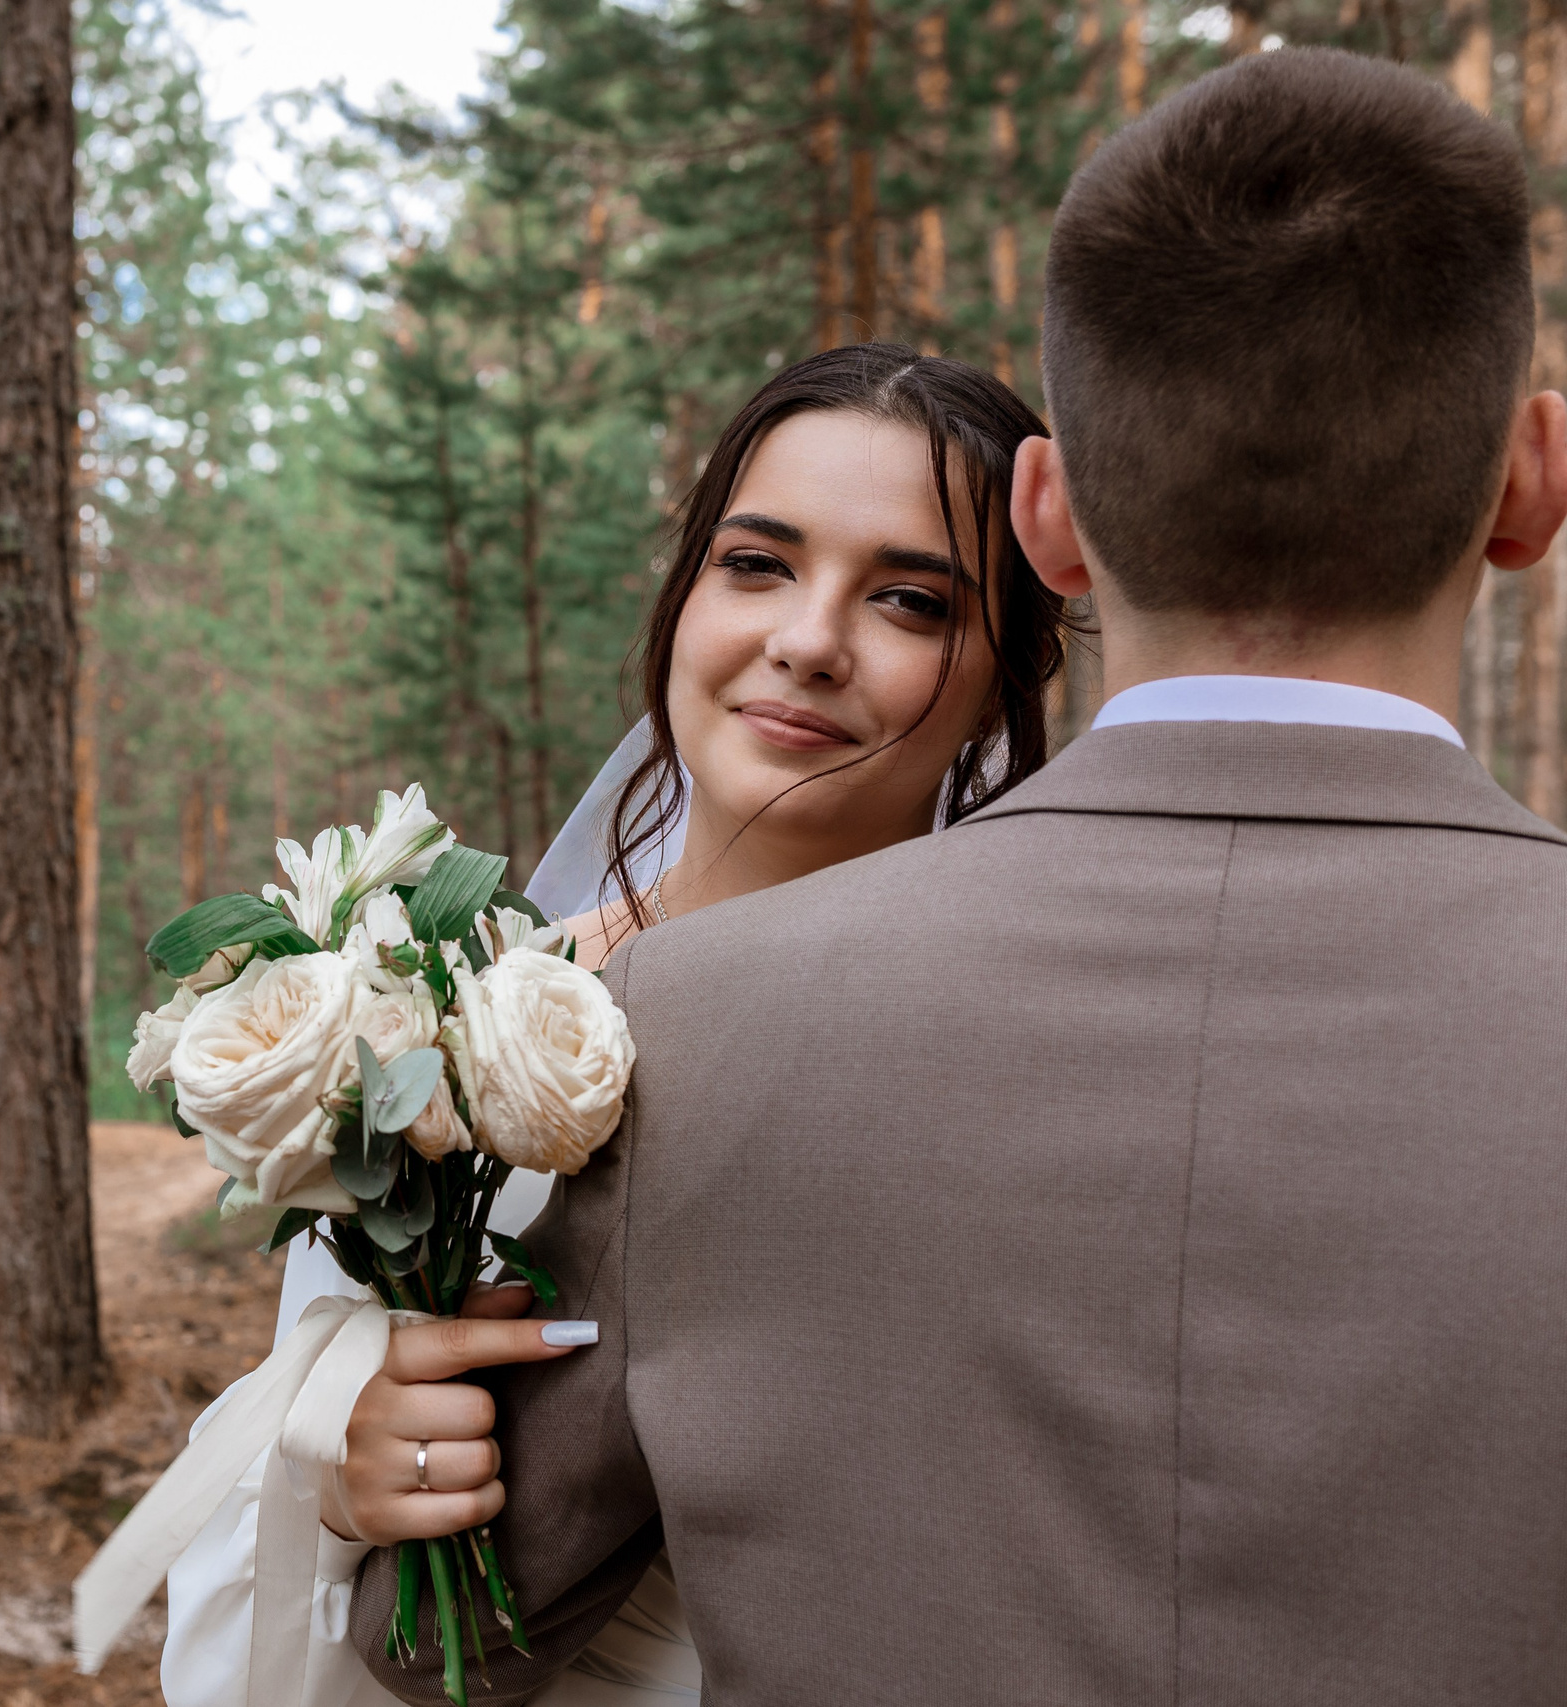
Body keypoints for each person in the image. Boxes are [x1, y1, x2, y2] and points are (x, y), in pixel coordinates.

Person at [338, 46, 1567, 1707]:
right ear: (1530, 481)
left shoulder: (690, 1024)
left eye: (913, 596)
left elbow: (454, 1651)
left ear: (1047, 520)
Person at [160, 340, 1072, 1707]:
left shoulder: (1028, 1068)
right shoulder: (444, 1004)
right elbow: (311, 1412)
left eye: (909, 600)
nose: (809, 641)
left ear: (1007, 673)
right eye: (756, 564)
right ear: (683, 594)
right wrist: (345, 1471)